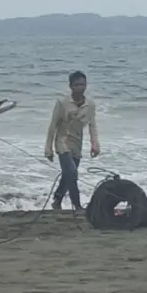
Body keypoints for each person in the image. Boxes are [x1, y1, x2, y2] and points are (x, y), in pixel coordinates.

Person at [44, 71, 100, 210]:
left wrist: (95, 144)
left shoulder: (90, 105)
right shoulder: (62, 103)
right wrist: (48, 149)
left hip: (77, 143)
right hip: (62, 141)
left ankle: (57, 200)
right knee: (72, 172)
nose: (80, 87)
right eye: (77, 84)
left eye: (83, 84)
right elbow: (53, 126)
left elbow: (92, 126)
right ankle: (77, 205)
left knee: (68, 174)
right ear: (71, 86)